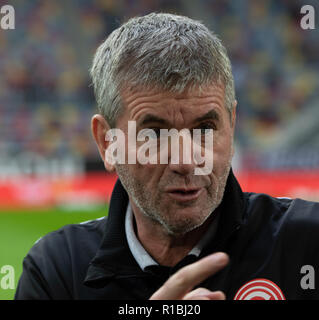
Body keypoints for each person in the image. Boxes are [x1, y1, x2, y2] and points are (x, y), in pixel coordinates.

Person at [15, 12, 319, 300]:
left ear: (232, 125)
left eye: (205, 128)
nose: (186, 161)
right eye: (155, 134)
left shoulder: (307, 241)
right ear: (107, 142)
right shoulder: (56, 270)